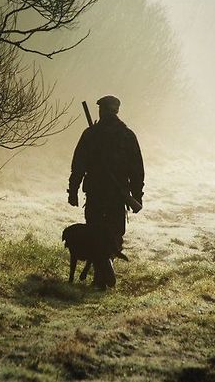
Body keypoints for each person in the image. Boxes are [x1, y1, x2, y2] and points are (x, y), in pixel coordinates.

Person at [67, 95, 144, 290]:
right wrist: (136, 196)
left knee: (95, 234)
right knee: (113, 236)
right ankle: (104, 272)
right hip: (118, 197)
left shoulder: (91, 134)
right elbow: (137, 170)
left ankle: (102, 276)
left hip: (95, 194)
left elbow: (78, 165)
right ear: (116, 111)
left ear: (102, 111)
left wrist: (73, 190)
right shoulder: (127, 135)